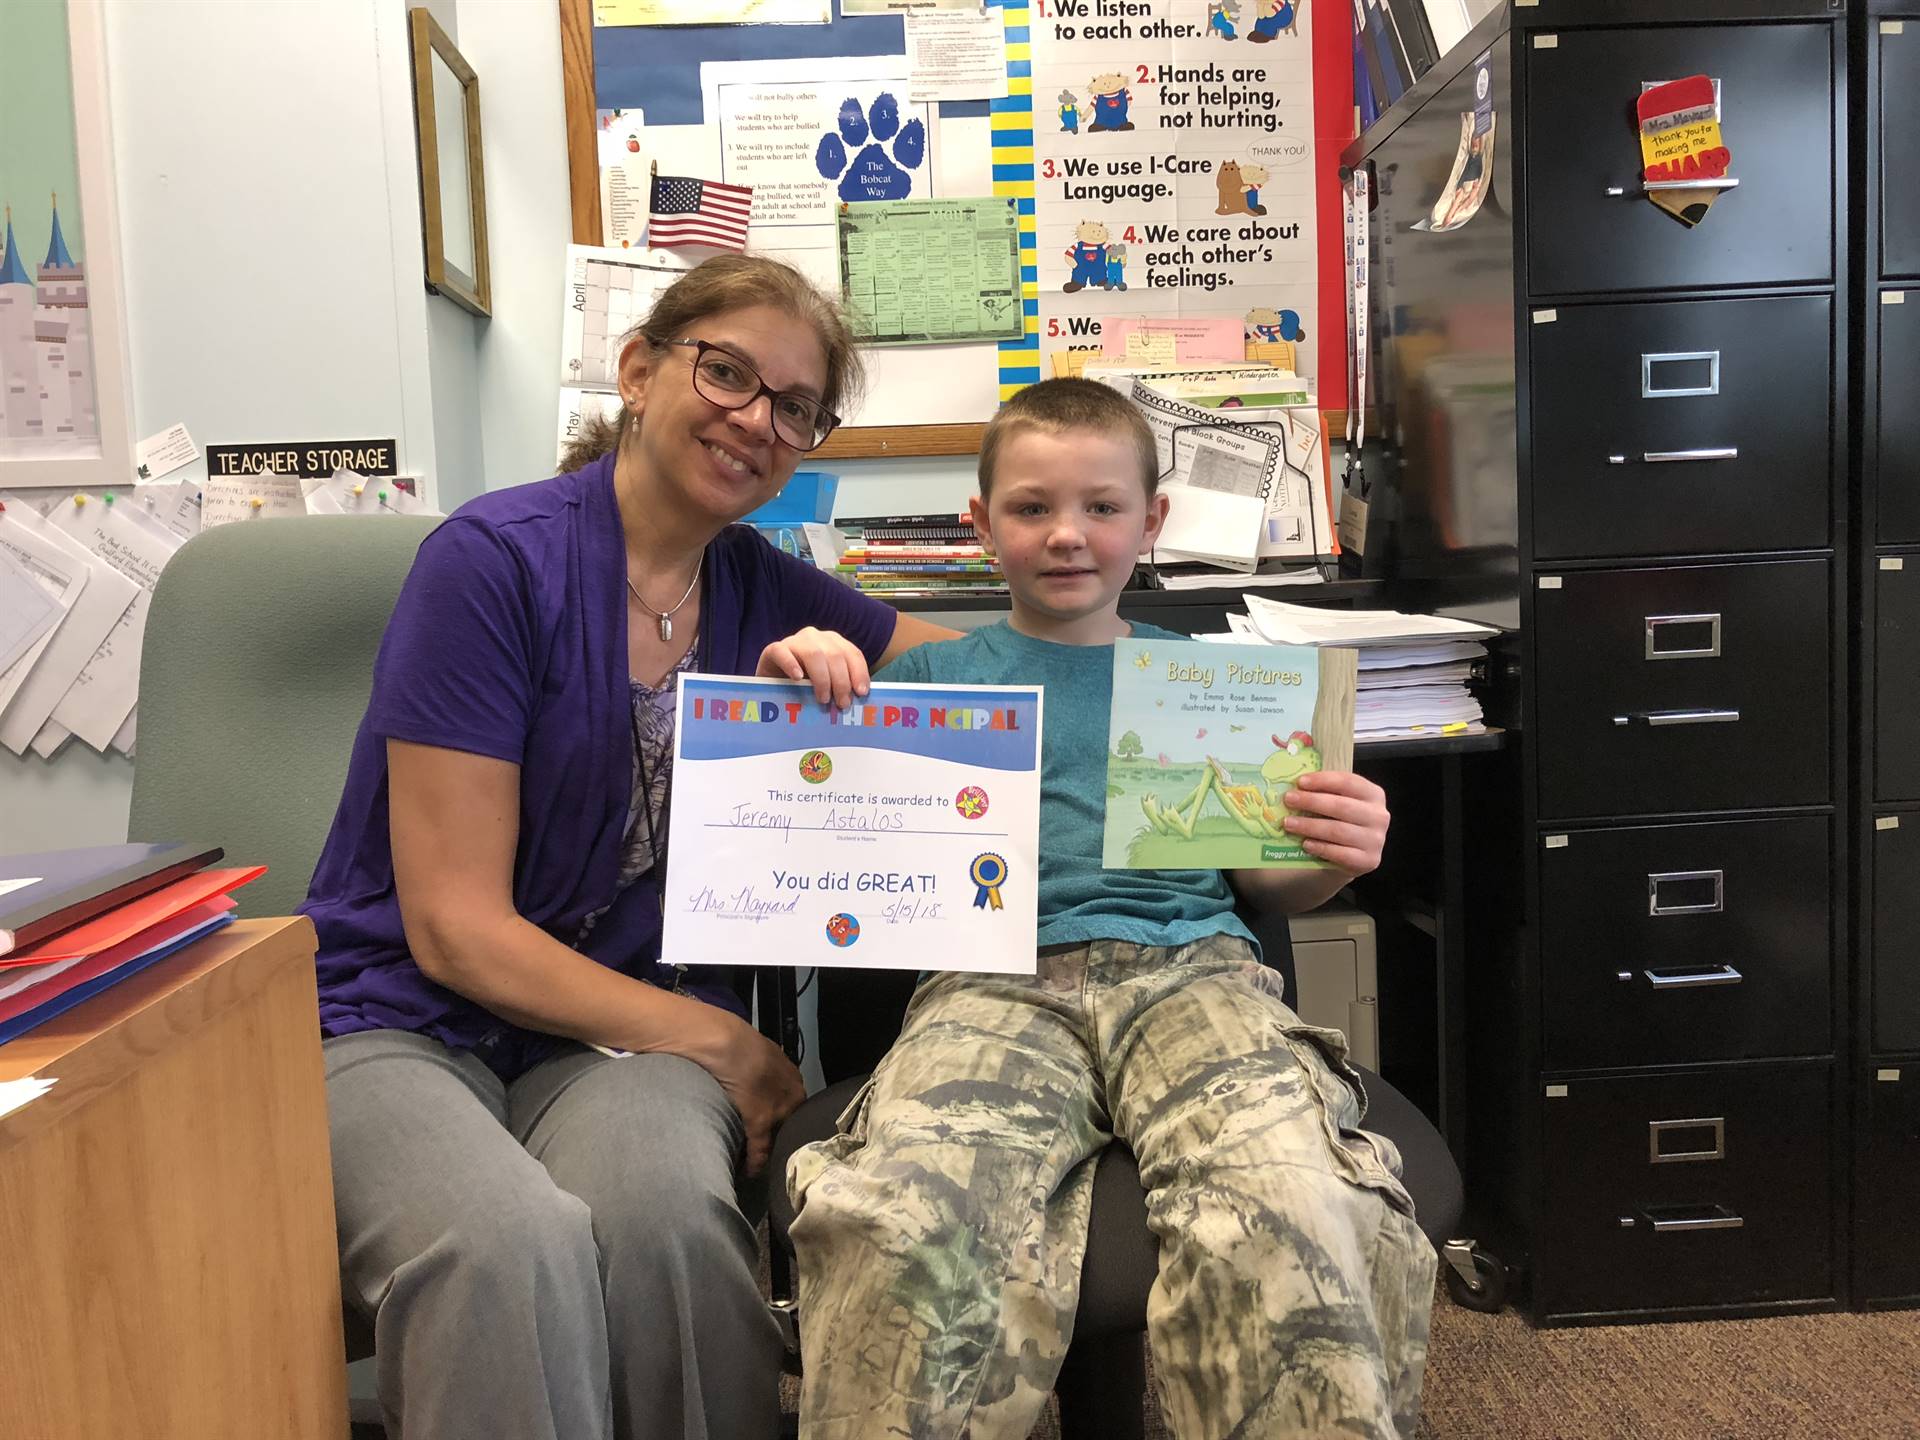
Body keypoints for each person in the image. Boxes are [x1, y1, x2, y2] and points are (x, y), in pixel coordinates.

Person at [302, 253, 953, 1440]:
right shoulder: (490, 564)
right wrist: (729, 1044)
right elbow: (454, 930)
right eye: (728, 373)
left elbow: (985, 674)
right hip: (396, 1014)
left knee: (670, 1228)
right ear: (641, 371)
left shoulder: (768, 588)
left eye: (795, 406)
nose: (756, 419)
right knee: (501, 1246)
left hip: (611, 1036)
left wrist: (1202, 704)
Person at [787, 378, 1435, 1439]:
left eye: (1102, 506)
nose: (1067, 535)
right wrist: (801, 691)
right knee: (906, 1223)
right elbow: (825, 833)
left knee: (1297, 1208)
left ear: (1153, 522)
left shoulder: (1207, 682)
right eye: (1032, 507)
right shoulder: (937, 684)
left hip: (1195, 974)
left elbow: (1264, 885)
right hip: (994, 984)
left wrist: (1333, 858)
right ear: (981, 525)